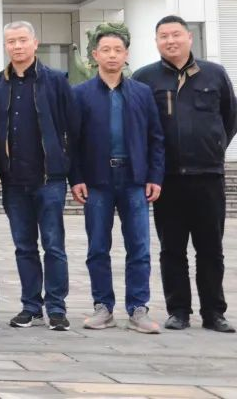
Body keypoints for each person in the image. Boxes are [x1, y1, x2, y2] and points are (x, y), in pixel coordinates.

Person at [133, 15, 237, 333]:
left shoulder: (214, 74)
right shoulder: (145, 78)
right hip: (167, 179)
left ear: (189, 37)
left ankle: (213, 312)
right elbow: (139, 125)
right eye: (163, 36)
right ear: (156, 41)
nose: (170, 41)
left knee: (211, 249)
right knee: (172, 249)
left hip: (207, 176)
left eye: (176, 34)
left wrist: (213, 147)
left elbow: (229, 118)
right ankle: (178, 310)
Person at [71, 28, 164, 333]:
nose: (112, 55)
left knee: (139, 247)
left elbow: (156, 138)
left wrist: (154, 176)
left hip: (134, 179)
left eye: (117, 50)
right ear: (95, 55)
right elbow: (73, 141)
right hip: (97, 180)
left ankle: (138, 308)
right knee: (98, 246)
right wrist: (76, 178)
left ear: (126, 55)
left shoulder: (141, 92)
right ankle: (103, 307)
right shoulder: (81, 93)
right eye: (106, 50)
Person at [0, 20, 79, 331]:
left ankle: (56, 307)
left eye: (22, 40)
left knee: (53, 246)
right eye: (11, 41)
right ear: (5, 46)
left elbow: (72, 128)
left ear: (35, 43)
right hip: (14, 181)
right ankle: (30, 306)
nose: (17, 46)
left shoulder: (55, 81)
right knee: (24, 246)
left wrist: (72, 172)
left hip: (49, 179)